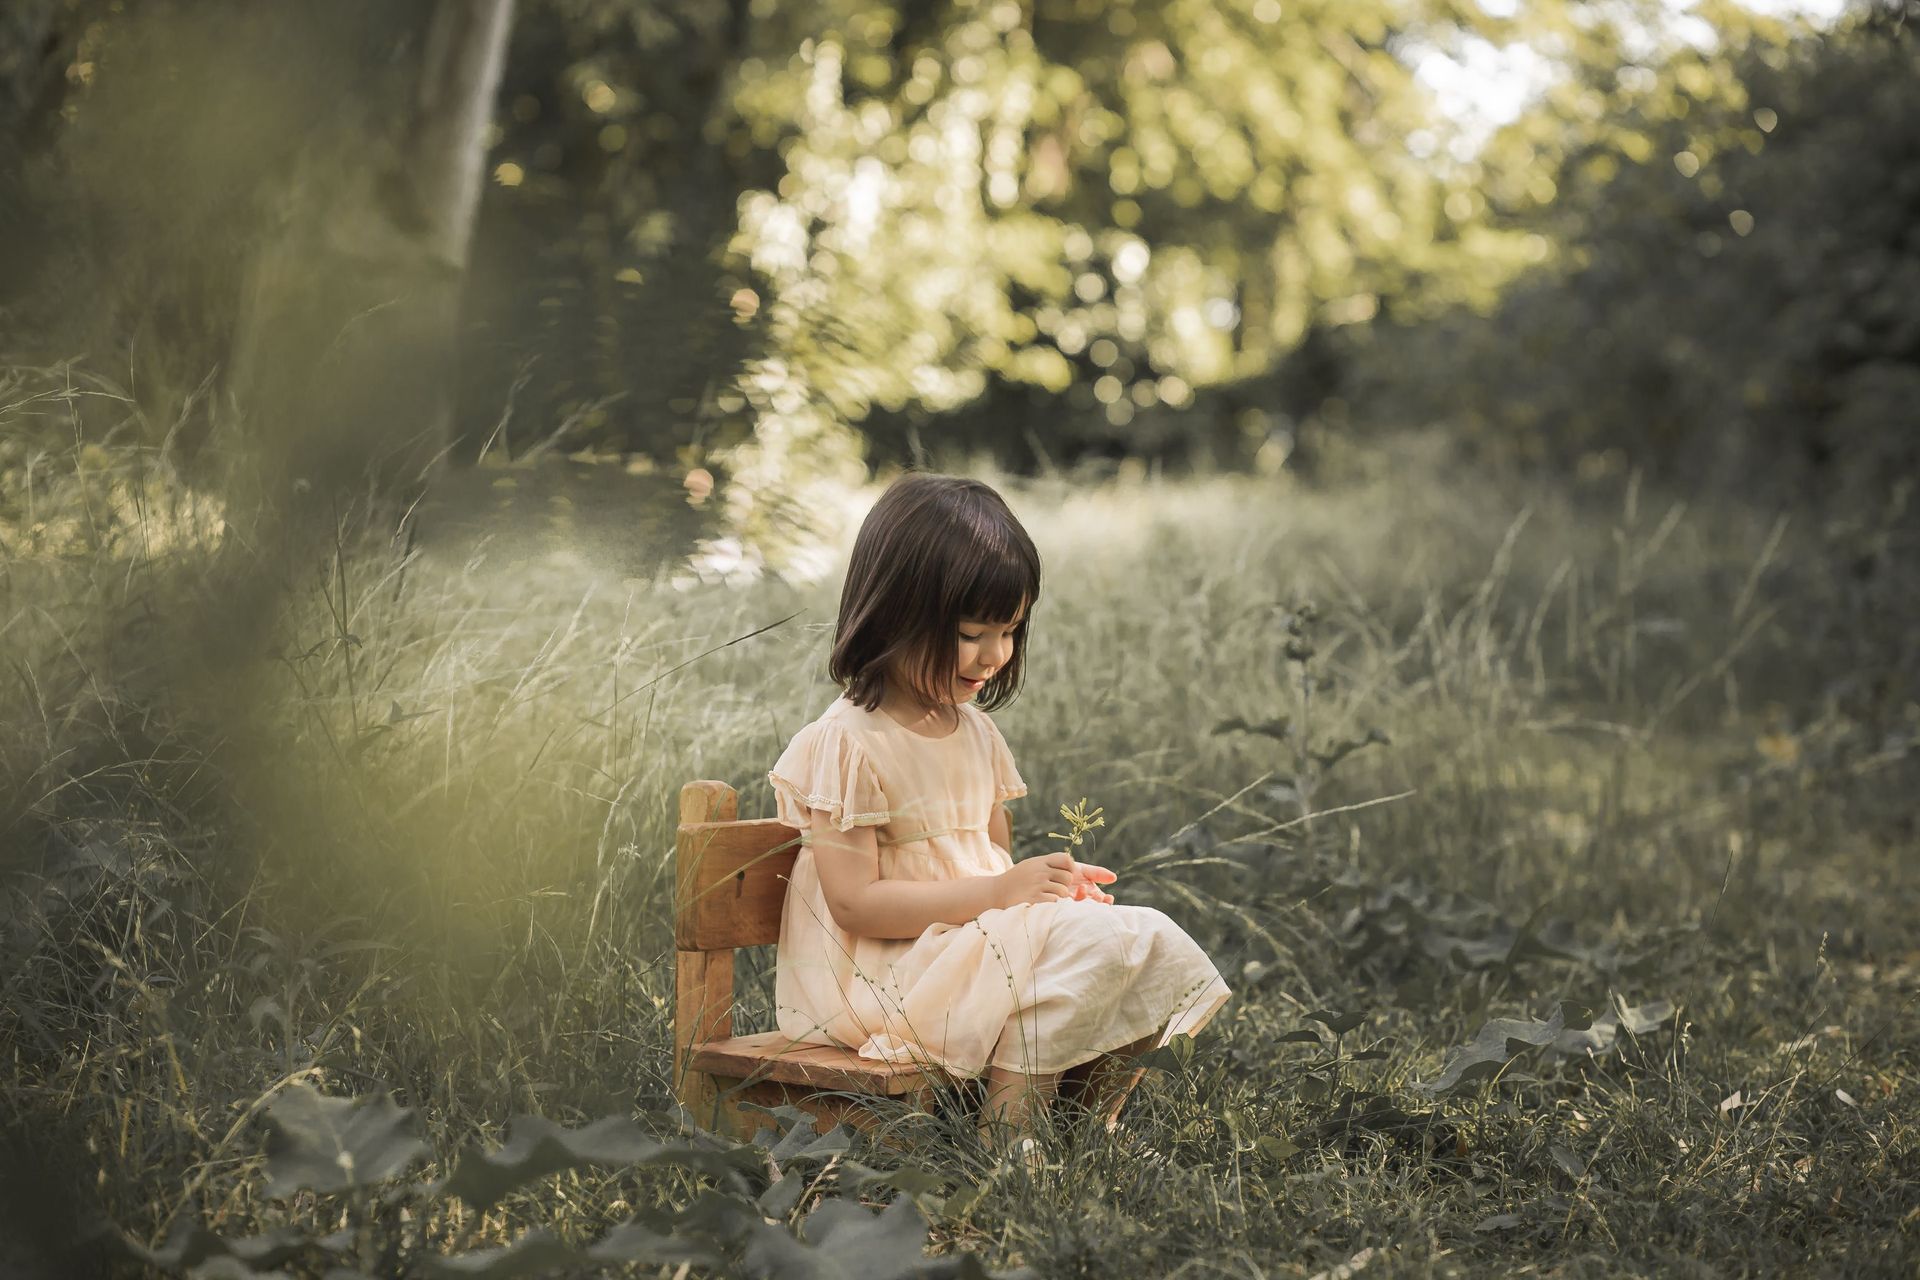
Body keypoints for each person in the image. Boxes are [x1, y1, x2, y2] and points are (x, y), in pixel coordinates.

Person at [765, 471, 1232, 1159]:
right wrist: (1000, 896)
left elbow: (992, 864)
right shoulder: (846, 744)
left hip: (960, 949)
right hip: (883, 975)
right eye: (971, 633)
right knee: (1085, 944)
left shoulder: (976, 734)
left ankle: (1088, 1124)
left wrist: (1045, 895)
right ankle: (1009, 1139)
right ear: (894, 614)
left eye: (1009, 631)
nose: (995, 656)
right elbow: (857, 907)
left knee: (1140, 938)